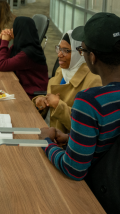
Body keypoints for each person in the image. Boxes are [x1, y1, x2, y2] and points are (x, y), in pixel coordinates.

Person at [38, 13, 120, 212]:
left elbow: (74, 169)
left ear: (91, 57)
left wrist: (46, 142)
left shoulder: (89, 101)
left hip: (95, 196)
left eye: (81, 50)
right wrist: (73, 137)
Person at [32, 30, 102, 133]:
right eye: (59, 49)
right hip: (46, 128)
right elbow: (49, 101)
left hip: (64, 141)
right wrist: (41, 101)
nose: (59, 54)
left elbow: (84, 127)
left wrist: (57, 105)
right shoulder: (62, 71)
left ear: (80, 52)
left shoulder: (94, 80)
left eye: (66, 50)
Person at [0, 16, 48, 99]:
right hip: (21, 88)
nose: (11, 30)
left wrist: (5, 42)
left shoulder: (28, 53)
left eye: (14, 27)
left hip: (31, 96)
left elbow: (1, 65)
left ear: (20, 30)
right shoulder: (19, 46)